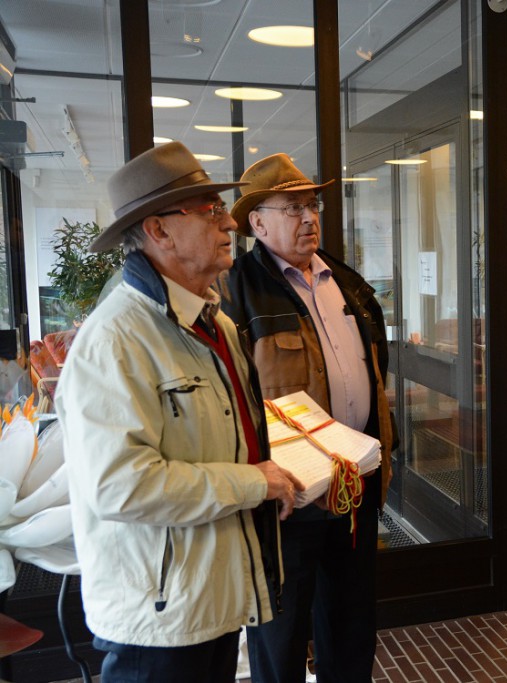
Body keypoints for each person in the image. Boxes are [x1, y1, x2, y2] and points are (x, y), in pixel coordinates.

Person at [54, 141, 304, 683]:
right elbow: (119, 485)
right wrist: (253, 484)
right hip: (158, 622)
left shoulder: (216, 326)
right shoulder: (116, 340)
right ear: (158, 231)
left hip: (211, 601)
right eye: (210, 211)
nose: (229, 224)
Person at [219, 153, 394, 683]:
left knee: (351, 625)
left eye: (312, 204)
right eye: (292, 207)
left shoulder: (345, 280)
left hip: (352, 483)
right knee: (282, 635)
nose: (310, 217)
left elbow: (377, 370)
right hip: (287, 500)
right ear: (257, 222)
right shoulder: (233, 291)